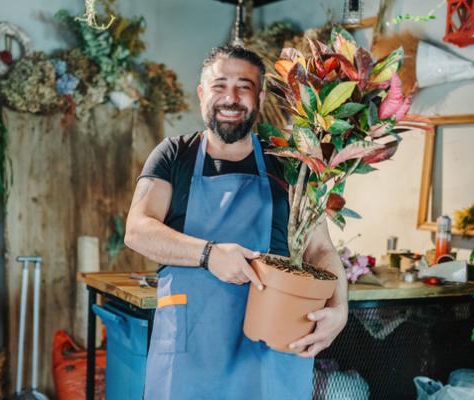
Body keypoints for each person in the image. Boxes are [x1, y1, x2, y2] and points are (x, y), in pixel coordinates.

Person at [124, 45, 348, 399]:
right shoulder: (173, 155)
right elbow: (138, 230)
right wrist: (209, 254)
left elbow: (320, 248)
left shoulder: (288, 163)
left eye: (244, 86)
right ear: (201, 94)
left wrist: (340, 308)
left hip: (272, 345)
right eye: (219, 85)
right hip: (191, 351)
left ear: (258, 97)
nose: (231, 97)